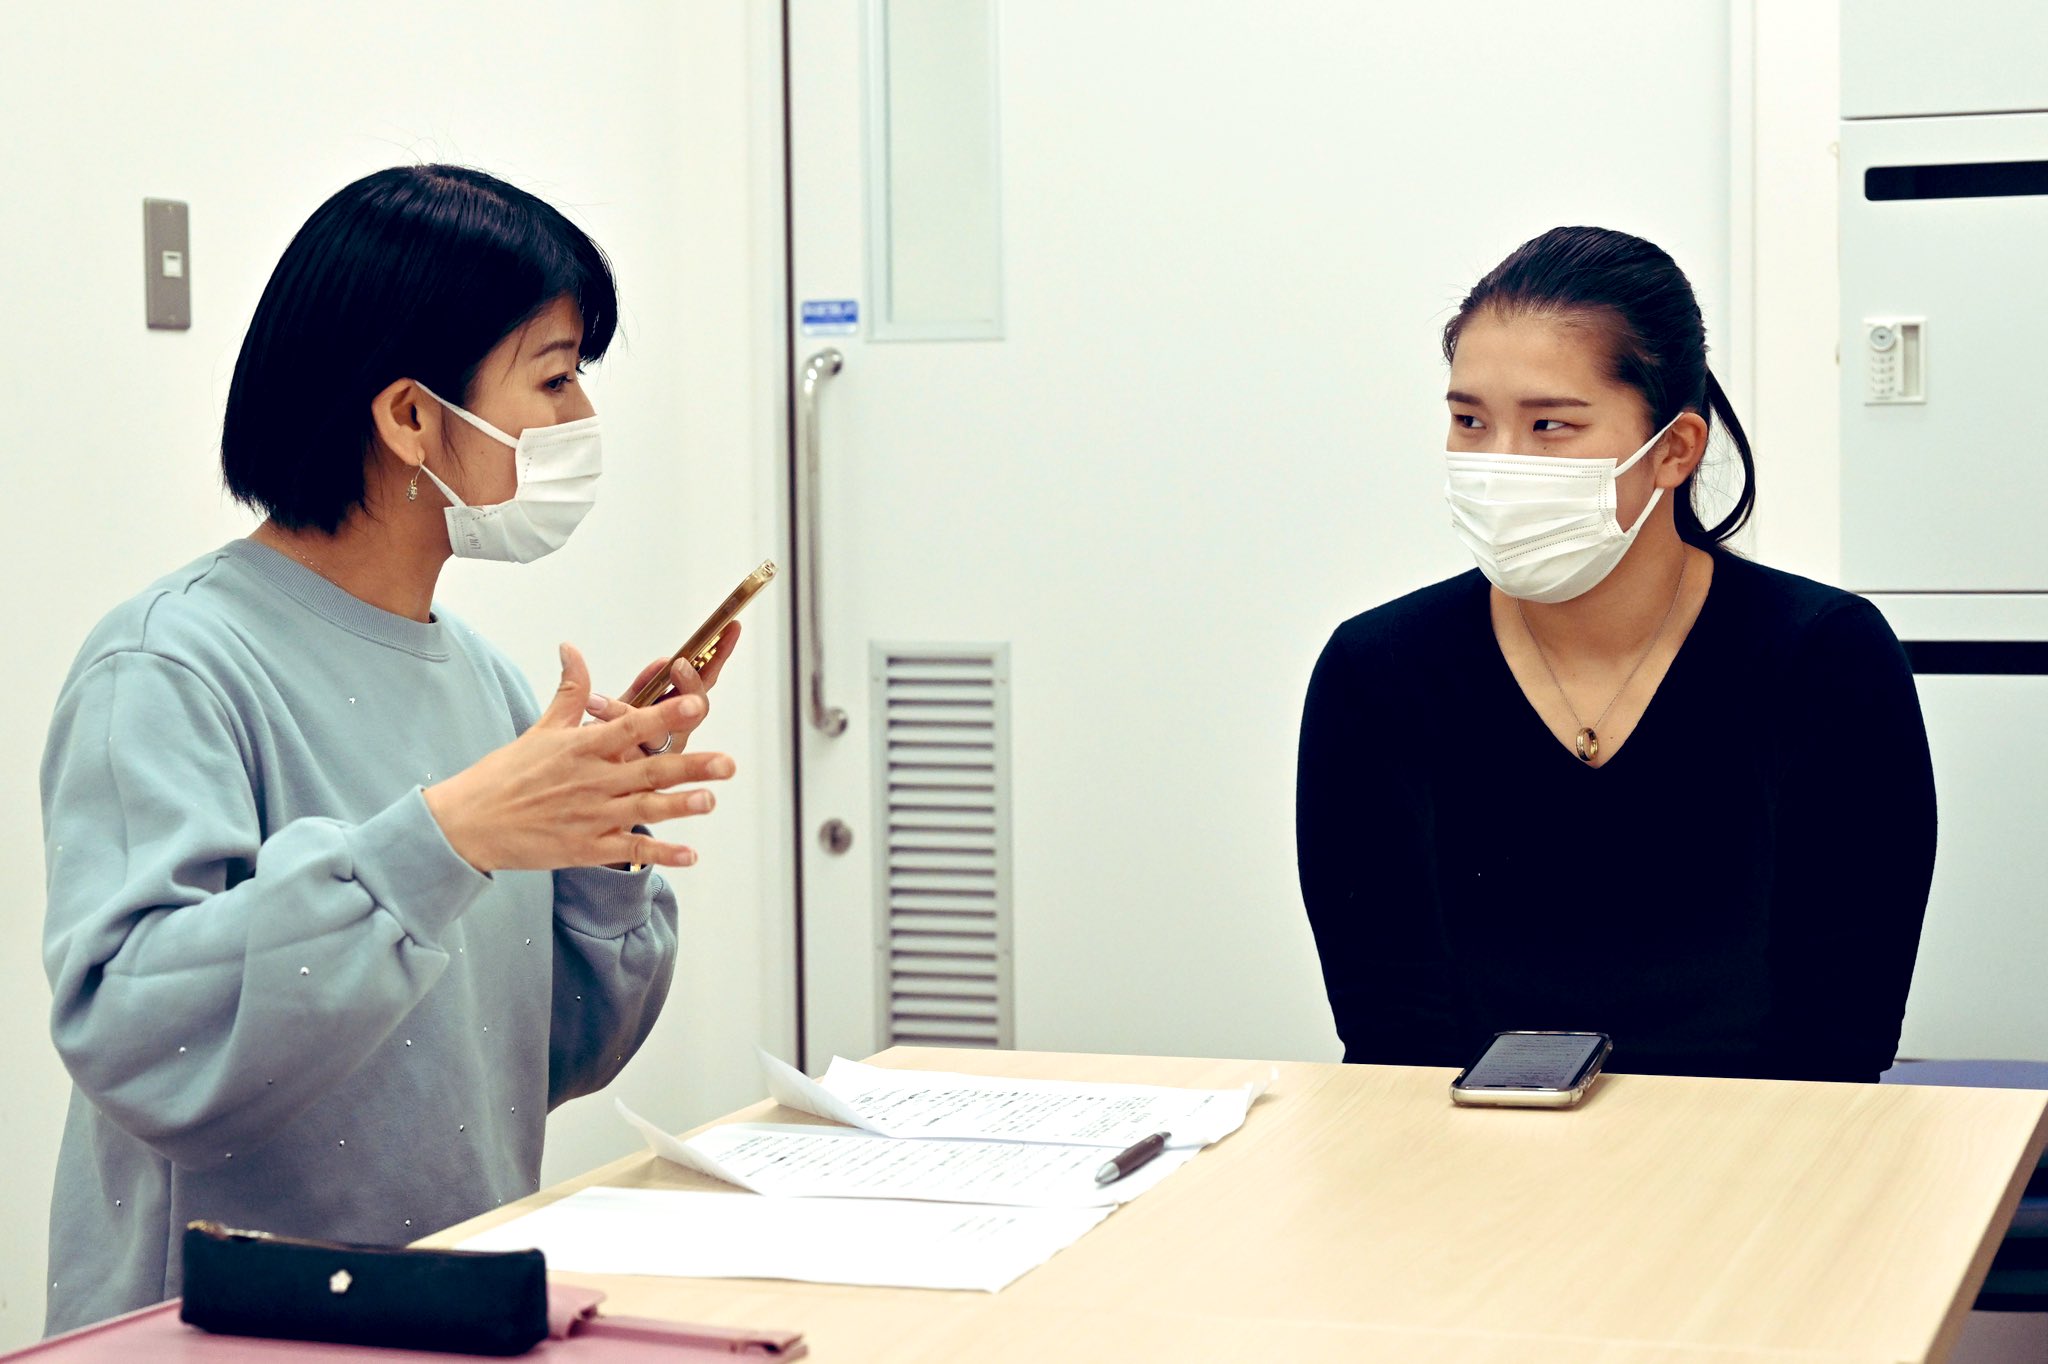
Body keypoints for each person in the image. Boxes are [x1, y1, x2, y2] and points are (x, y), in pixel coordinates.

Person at [39, 165, 736, 1335]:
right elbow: (137, 1037)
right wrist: (444, 839)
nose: (581, 420)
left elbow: (553, 1055)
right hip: (223, 1329)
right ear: (411, 416)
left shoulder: (484, 680)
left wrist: (603, 839)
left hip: (453, 1307)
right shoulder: (167, 664)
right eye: (554, 377)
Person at [1296, 225, 1936, 1086]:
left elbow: (1839, 1033)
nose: (1499, 463)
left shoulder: (1824, 659)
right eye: (1470, 420)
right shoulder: (1378, 671)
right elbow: (1390, 1036)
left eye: (1550, 425)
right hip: (1466, 1147)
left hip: (1762, 1145)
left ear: (1674, 449)